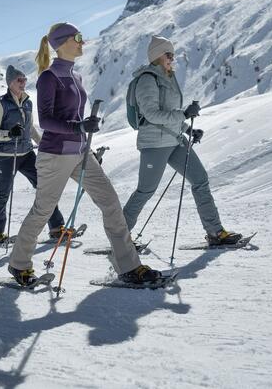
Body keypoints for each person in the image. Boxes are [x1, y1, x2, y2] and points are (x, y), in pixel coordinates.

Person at [8, 23, 161, 286]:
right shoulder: (49, 77)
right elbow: (45, 121)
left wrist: (84, 126)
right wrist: (77, 126)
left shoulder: (75, 77)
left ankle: (128, 265)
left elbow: (72, 116)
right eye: (78, 37)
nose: (83, 42)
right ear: (62, 42)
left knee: (110, 202)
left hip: (80, 152)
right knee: (43, 210)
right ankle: (18, 264)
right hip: (55, 154)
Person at [123, 35, 241, 245]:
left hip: (175, 139)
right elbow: (152, 115)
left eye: (173, 54)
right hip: (155, 144)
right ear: (157, 55)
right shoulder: (147, 80)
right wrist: (185, 115)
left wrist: (187, 129)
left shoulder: (168, 77)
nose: (172, 58)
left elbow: (170, 113)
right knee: (146, 190)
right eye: (168, 54)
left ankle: (215, 232)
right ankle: (120, 239)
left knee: (200, 180)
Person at [0, 65, 65, 243]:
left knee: (44, 187)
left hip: (27, 153)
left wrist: (44, 145)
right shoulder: (1, 103)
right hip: (7, 156)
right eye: (19, 80)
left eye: (24, 79)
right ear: (10, 83)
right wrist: (8, 134)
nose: (23, 83)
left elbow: (30, 129)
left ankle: (56, 227)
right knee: (2, 193)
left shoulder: (28, 102)